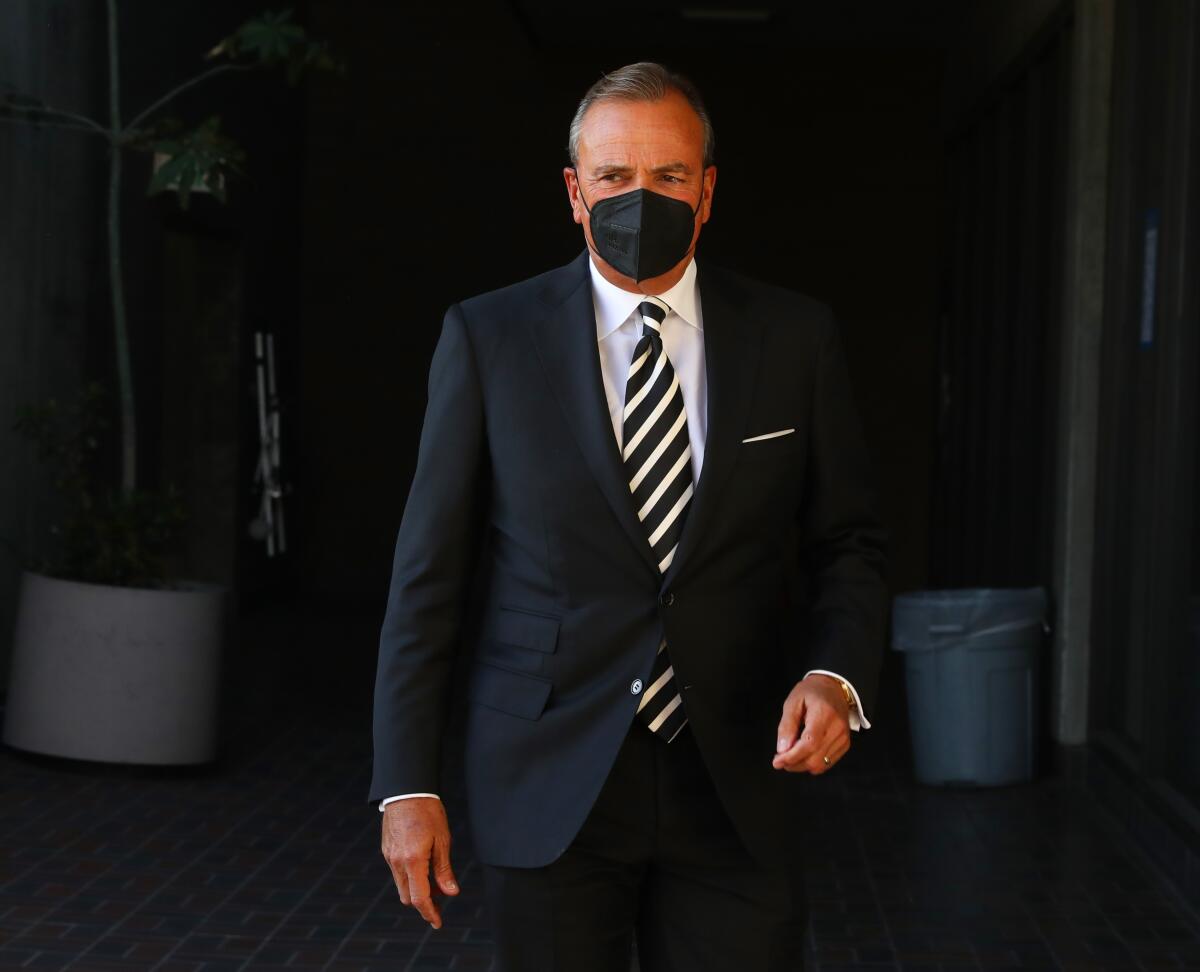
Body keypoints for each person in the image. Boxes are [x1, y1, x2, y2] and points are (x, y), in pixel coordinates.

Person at [370, 61, 889, 971]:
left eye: (669, 176)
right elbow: (429, 578)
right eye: (614, 177)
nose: (639, 198)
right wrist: (406, 785)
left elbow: (850, 540)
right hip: (547, 775)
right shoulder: (489, 339)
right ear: (575, 193)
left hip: (736, 776)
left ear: (709, 190)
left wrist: (836, 675)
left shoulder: (794, 338)